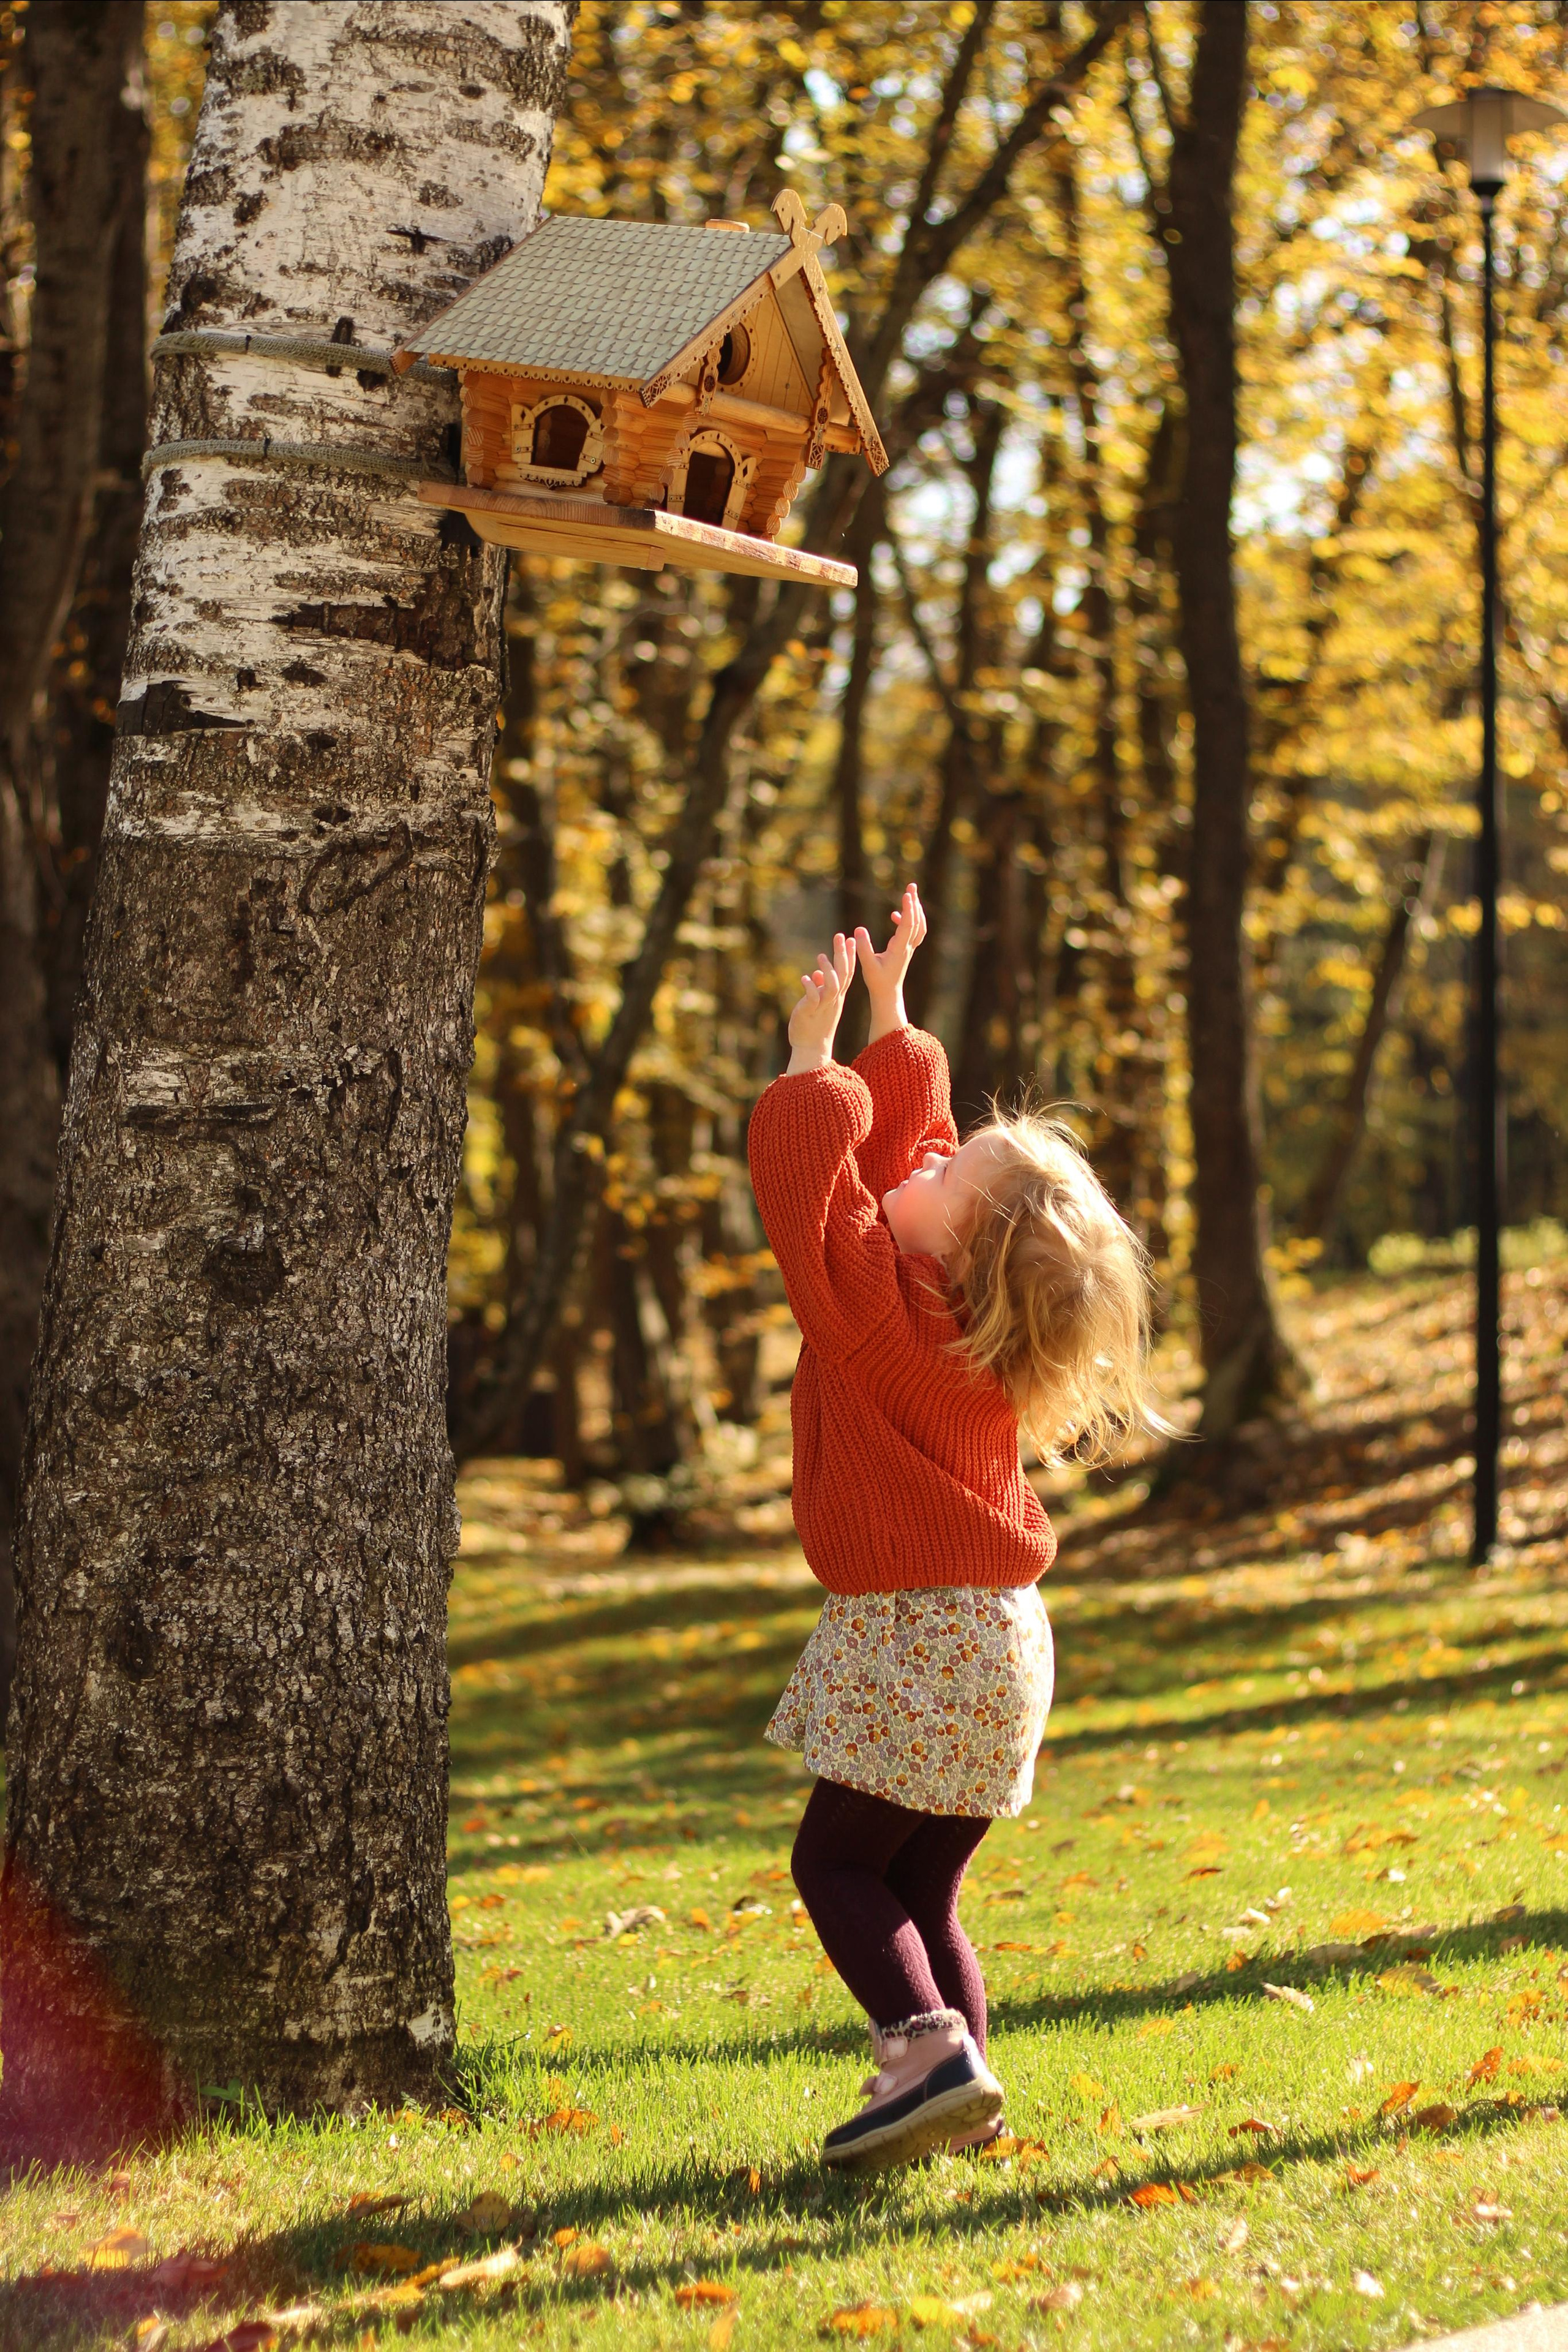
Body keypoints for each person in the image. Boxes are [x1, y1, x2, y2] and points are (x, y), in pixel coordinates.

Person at [748, 883, 1165, 2172]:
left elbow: (816, 1215)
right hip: (1001, 1647)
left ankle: (923, 2053)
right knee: (923, 1888)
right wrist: (894, 1014)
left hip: (917, 1637)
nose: (926, 1156)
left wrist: (812, 1067)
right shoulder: (959, 1325)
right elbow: (894, 1170)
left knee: (837, 1869)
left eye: (951, 1172)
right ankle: (961, 2105)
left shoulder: (875, 1302)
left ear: (963, 1244)